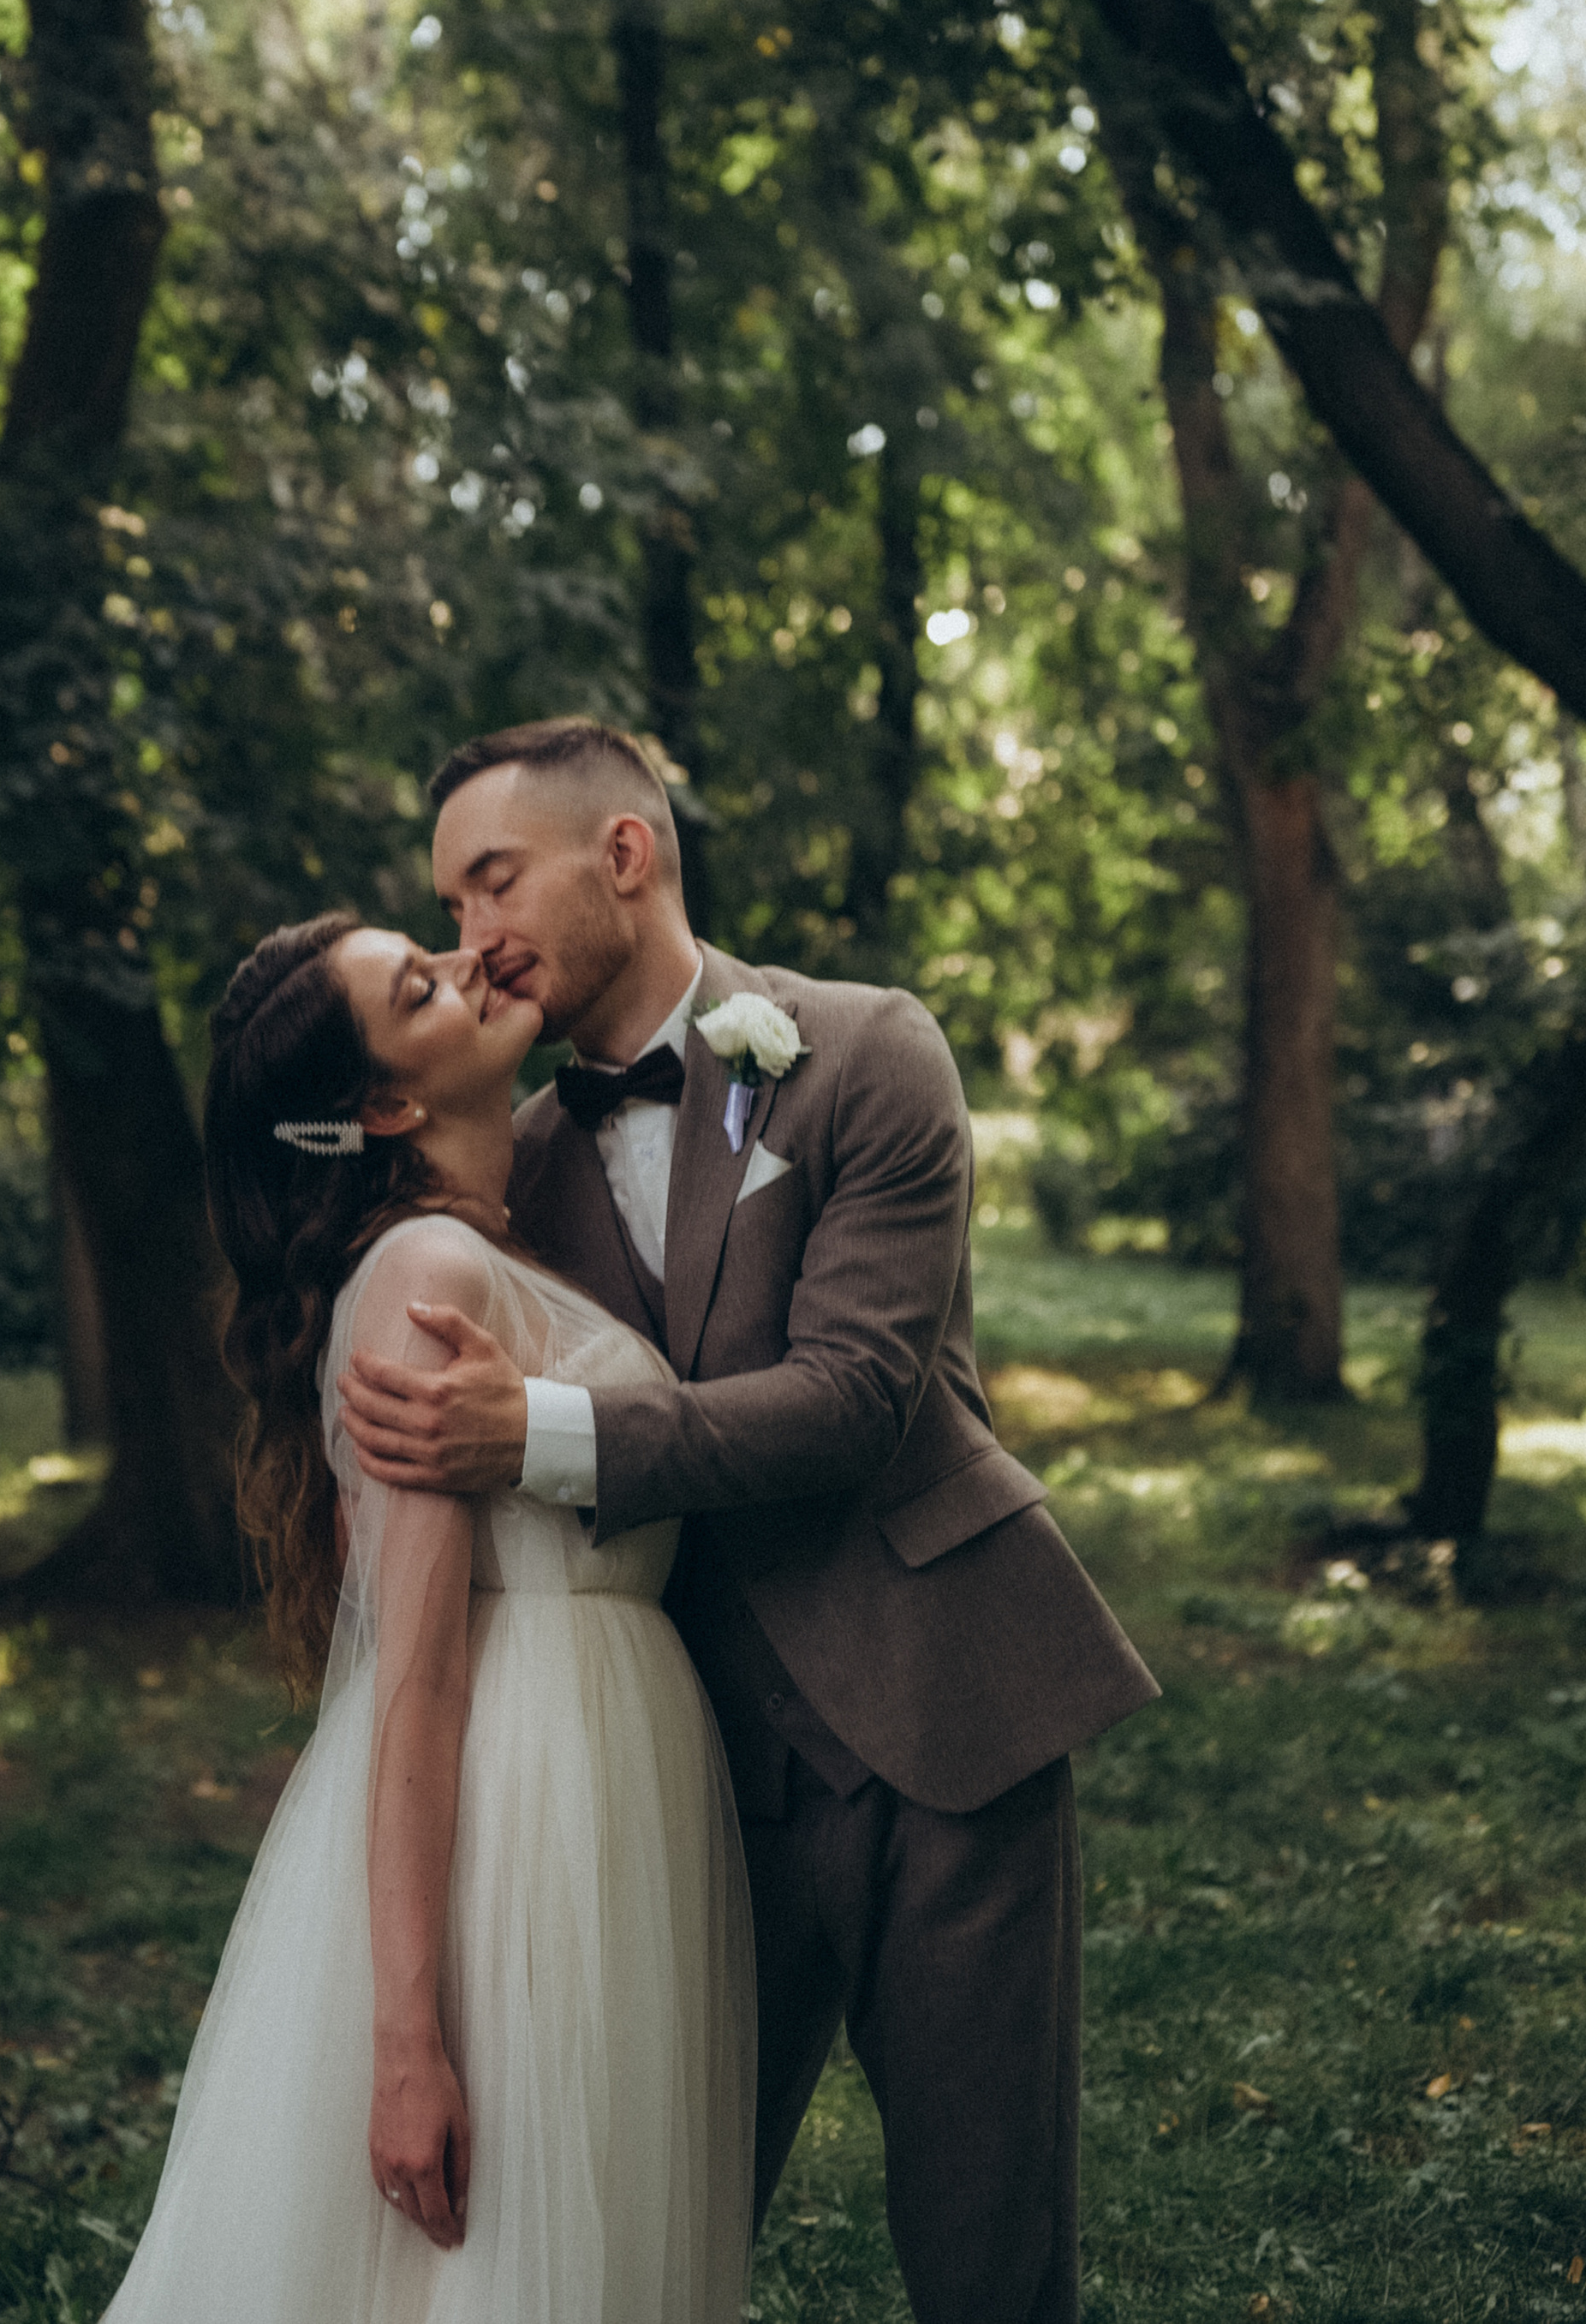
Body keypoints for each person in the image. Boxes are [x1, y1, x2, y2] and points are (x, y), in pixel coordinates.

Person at [337, 718, 1160, 2324]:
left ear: (624, 856)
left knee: (993, 2258)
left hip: (951, 1716)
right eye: (444, 906)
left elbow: (855, 1396)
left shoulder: (868, 1051)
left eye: (491, 881)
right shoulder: (518, 1157)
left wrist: (541, 1434)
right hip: (692, 1781)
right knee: (648, 2238)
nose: (469, 937)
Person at [104, 910, 754, 2324]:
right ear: (390, 1102)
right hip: (520, 1811)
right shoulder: (426, 1279)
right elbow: (415, 1679)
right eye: (425, 983)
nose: (473, 963)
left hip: (600, 1776)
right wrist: (408, 2033)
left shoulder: (479, 1249)